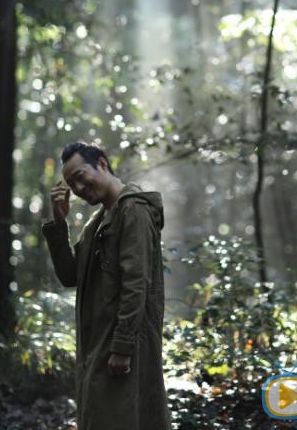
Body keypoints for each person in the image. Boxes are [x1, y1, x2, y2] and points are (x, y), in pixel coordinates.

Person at [41, 141, 172, 430]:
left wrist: (122, 347)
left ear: (101, 163)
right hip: (99, 344)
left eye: (79, 176)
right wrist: (58, 223)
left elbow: (136, 282)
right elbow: (70, 276)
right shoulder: (96, 223)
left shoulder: (134, 210)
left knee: (127, 418)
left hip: (122, 345)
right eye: (70, 184)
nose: (76, 187)